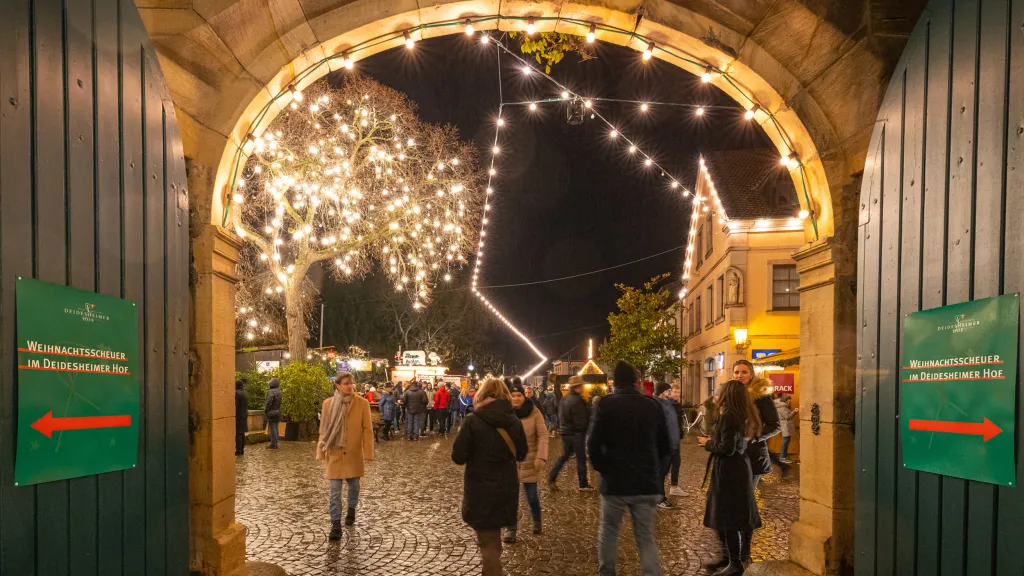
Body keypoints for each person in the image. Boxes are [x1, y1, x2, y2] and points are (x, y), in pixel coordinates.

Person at [588, 361, 670, 576]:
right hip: (646, 482)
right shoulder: (652, 405)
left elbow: (593, 445)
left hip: (615, 482)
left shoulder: (605, 405)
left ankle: (607, 573)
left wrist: (603, 469)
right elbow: (665, 446)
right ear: (636, 382)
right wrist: (657, 473)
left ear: (614, 382)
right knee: (645, 536)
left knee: (609, 531)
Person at [452, 377, 527, 576]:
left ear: (482, 395)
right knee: (492, 540)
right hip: (506, 487)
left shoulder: (472, 421)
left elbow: (458, 457)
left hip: (480, 490)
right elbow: (521, 454)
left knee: (488, 544)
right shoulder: (514, 421)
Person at [700, 380, 762, 575]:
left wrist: (708, 443)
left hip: (729, 470)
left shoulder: (729, 415)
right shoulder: (746, 413)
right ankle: (737, 558)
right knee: (739, 514)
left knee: (729, 516)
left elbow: (727, 448)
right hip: (741, 467)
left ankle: (734, 563)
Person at [724, 359, 780, 568]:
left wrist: (754, 437)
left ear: (752, 374)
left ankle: (744, 552)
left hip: (752, 457)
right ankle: (734, 553)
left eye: (744, 372)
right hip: (733, 457)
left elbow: (775, 425)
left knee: (745, 503)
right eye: (736, 372)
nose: (739, 375)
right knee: (734, 503)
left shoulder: (761, 396)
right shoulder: (732, 395)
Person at [316, 372, 374, 540]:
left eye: (351, 383)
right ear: (338, 385)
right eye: (346, 383)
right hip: (334, 452)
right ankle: (335, 525)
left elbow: (367, 430)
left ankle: (351, 509)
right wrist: (321, 451)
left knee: (354, 486)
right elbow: (324, 429)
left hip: (353, 453)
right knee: (335, 491)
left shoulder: (362, 403)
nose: (350, 386)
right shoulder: (328, 404)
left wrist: (368, 452)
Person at [503, 380, 549, 542]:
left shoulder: (534, 412)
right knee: (510, 497)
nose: (516, 398)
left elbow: (543, 435)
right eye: (513, 395)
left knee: (532, 496)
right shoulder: (505, 413)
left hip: (530, 460)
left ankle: (537, 519)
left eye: (519, 395)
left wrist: (541, 456)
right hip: (510, 461)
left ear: (524, 396)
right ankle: (511, 529)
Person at [548, 375, 593, 490]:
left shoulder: (565, 398)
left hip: (566, 432)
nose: (583, 387)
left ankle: (552, 477)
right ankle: (583, 484)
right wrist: (584, 430)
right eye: (582, 385)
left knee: (564, 456)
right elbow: (581, 419)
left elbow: (561, 415)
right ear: (578, 386)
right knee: (581, 458)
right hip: (576, 433)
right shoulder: (578, 400)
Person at [654, 382, 683, 506]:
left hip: (673, 443)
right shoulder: (657, 405)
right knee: (661, 472)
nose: (670, 392)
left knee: (665, 471)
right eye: (668, 390)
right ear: (662, 392)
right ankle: (659, 498)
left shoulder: (669, 403)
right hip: (665, 444)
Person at [774, 393, 797, 464]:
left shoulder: (783, 406)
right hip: (785, 426)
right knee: (785, 441)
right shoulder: (782, 407)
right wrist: (794, 412)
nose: (790, 401)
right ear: (786, 400)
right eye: (789, 400)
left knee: (786, 440)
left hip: (785, 426)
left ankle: (784, 456)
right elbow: (787, 417)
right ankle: (782, 457)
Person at [263, 377, 282, 449]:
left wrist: (266, 410)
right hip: (277, 411)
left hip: (271, 412)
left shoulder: (271, 392)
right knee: (275, 427)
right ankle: (275, 442)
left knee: (272, 427)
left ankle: (273, 444)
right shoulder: (279, 391)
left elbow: (269, 402)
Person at [235, 378, 248, 456]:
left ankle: (238, 451)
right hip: (244, 415)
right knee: (242, 433)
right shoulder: (244, 393)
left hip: (239, 416)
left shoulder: (237, 393)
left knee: (238, 433)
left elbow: (236, 406)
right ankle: (242, 449)